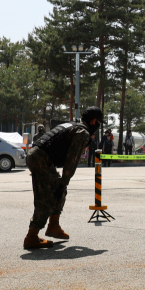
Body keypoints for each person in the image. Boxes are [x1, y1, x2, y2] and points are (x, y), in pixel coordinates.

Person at [23, 107, 103, 249]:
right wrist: (64, 182)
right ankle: (32, 236)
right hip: (41, 158)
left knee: (57, 191)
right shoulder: (82, 132)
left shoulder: (73, 125)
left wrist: (62, 185)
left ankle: (54, 226)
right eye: (98, 123)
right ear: (93, 121)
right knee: (51, 195)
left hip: (36, 155)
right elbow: (71, 161)